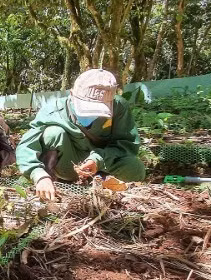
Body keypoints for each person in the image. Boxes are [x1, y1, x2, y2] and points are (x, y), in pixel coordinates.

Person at [16, 69, 145, 201]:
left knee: (136, 169)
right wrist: (39, 175)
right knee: (53, 134)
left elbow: (126, 145)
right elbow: (26, 146)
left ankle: (98, 181)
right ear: (71, 95)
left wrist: (97, 160)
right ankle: (52, 181)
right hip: (67, 163)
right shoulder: (53, 110)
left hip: (102, 164)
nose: (90, 115)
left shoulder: (119, 107)